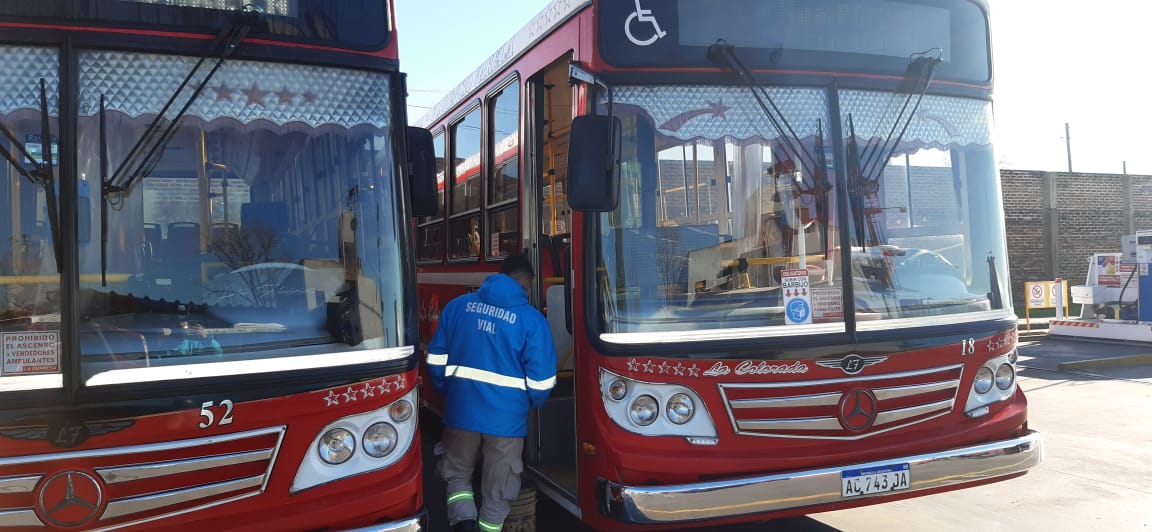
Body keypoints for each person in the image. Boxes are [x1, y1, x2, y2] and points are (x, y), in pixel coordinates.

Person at [426, 255, 557, 532]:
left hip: (461, 412)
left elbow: (436, 360)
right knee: (500, 486)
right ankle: (488, 528)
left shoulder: (457, 308)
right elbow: (542, 383)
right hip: (506, 421)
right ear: (527, 282)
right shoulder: (532, 320)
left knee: (457, 472)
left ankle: (463, 520)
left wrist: (450, 392)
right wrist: (528, 403)